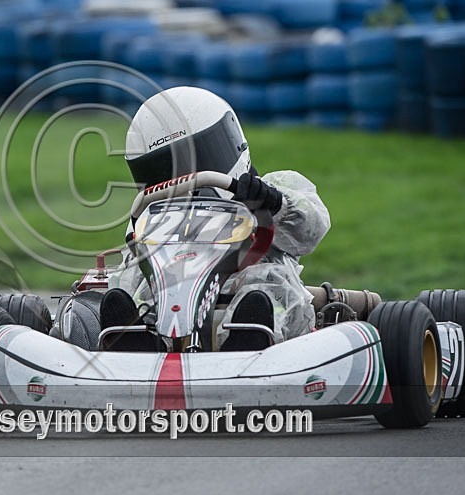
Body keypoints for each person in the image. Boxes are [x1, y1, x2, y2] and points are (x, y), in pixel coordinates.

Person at [103, 86, 331, 350]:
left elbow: (312, 229)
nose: (183, 179)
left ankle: (250, 337)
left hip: (250, 303)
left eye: (194, 160)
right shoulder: (154, 219)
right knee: (135, 278)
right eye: (164, 170)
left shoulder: (267, 191)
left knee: (265, 283)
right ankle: (132, 340)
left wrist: (274, 204)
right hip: (173, 297)